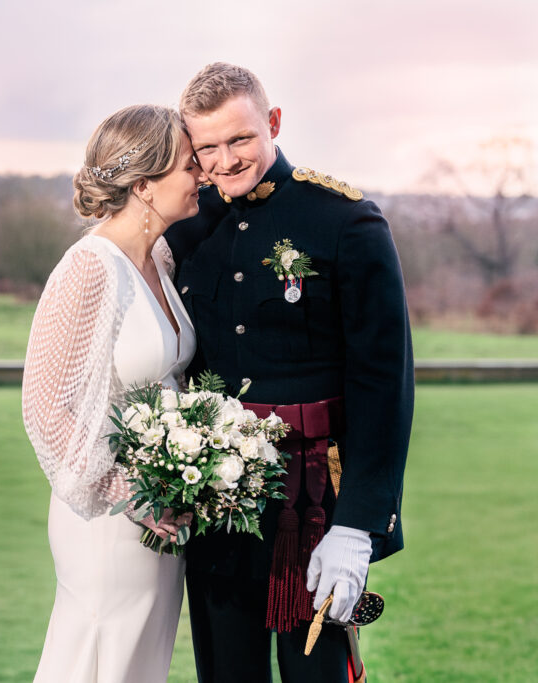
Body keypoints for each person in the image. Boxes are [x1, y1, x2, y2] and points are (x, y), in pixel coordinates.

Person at [164, 63, 414, 683]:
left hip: (317, 507)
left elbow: (383, 385)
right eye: (208, 147)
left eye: (241, 139)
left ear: (272, 123)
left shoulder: (346, 221)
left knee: (318, 674)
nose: (225, 160)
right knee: (225, 672)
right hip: (217, 501)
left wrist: (358, 525)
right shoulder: (185, 229)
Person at [22, 104, 204, 683]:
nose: (200, 174)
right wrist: (133, 491)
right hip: (111, 517)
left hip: (161, 512)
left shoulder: (159, 258)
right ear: (145, 186)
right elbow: (46, 404)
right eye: (188, 165)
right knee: (98, 659)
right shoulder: (89, 268)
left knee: (138, 664)